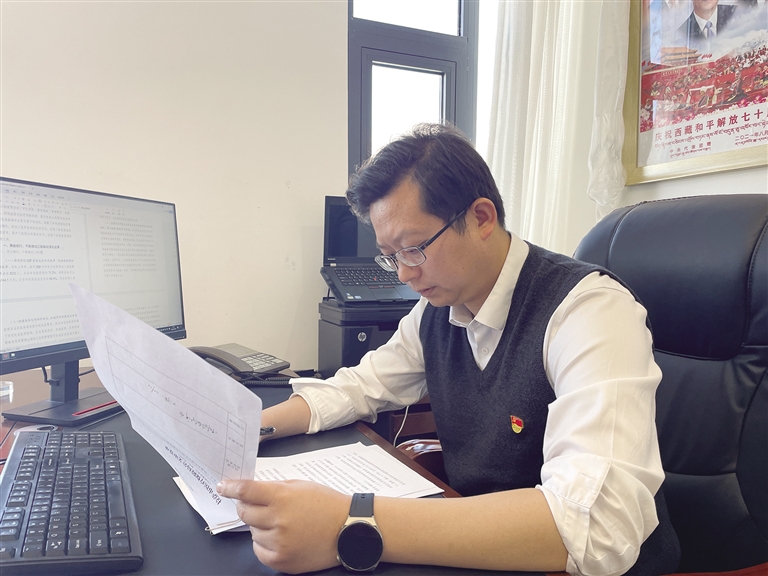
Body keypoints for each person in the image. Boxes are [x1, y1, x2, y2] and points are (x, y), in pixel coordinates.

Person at [217, 124, 680, 575]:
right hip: (479, 550)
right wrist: (249, 430)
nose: (404, 274)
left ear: (481, 218)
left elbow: (597, 525)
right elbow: (360, 386)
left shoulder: (590, 311)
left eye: (413, 248)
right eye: (391, 255)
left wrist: (351, 521)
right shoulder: (438, 309)